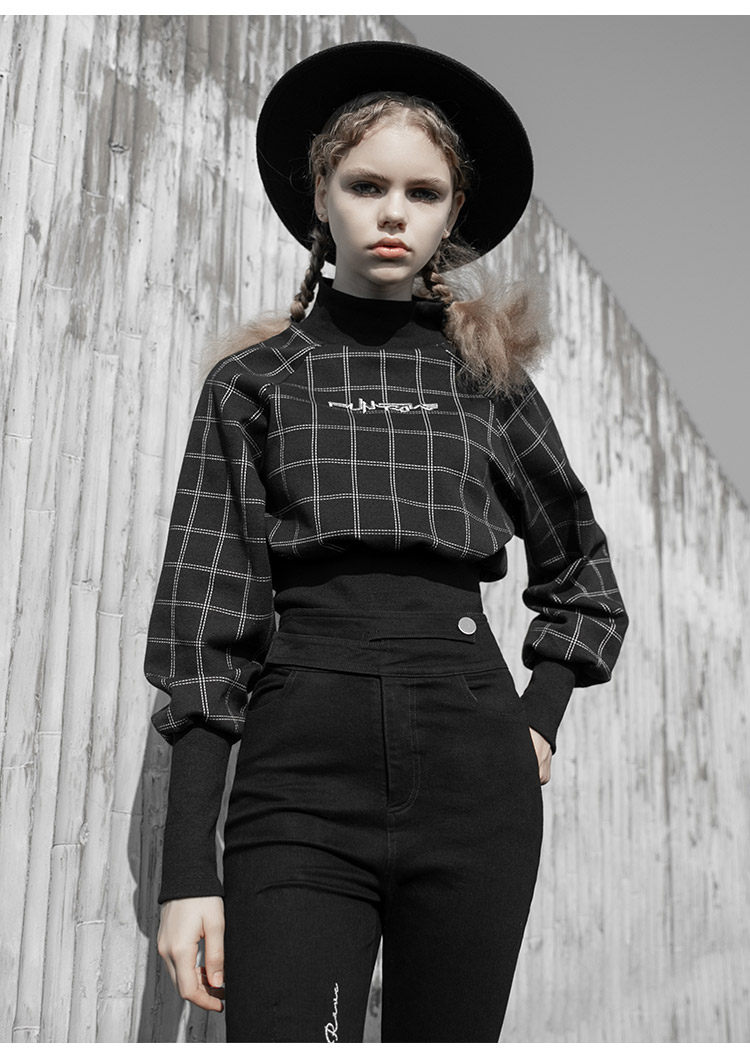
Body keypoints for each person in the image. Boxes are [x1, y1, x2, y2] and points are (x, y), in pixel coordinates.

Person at [144, 40, 629, 1042]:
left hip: (475, 781)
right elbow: (203, 627)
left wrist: (536, 718)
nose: (394, 212)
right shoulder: (253, 384)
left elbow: (582, 574)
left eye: (423, 192)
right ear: (321, 199)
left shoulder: (488, 384)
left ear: (453, 215)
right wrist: (188, 871)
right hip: (298, 782)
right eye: (367, 186)